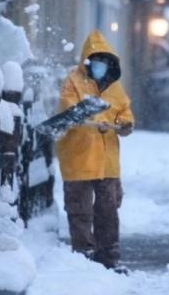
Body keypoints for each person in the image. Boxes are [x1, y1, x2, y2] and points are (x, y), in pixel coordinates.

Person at [56, 31, 134, 272]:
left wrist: (125, 123)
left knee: (108, 211)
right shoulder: (73, 82)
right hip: (78, 157)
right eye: (96, 60)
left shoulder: (115, 87)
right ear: (87, 60)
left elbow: (124, 110)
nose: (101, 65)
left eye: (105, 61)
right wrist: (94, 119)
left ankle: (109, 257)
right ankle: (84, 257)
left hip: (107, 161)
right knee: (80, 211)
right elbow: (69, 108)